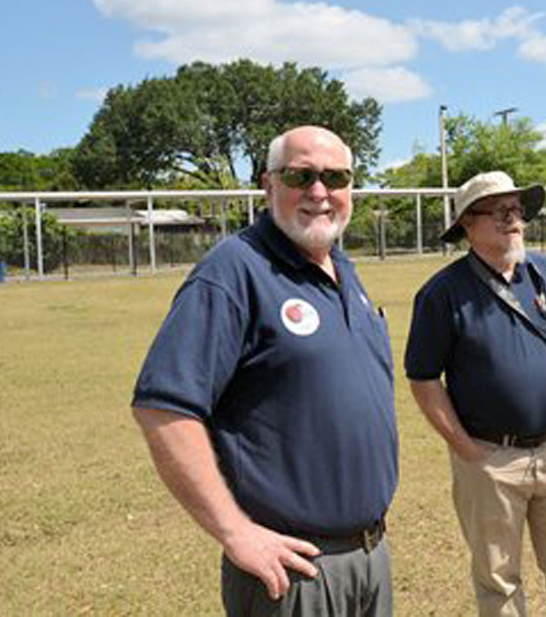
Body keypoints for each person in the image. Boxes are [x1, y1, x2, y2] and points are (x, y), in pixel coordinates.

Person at [131, 125, 397, 617]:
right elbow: (163, 408)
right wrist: (236, 532)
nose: (319, 191)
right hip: (293, 575)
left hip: (368, 558)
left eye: (335, 176)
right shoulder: (233, 269)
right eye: (300, 175)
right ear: (268, 184)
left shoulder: (344, 271)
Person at [404, 171, 546, 616]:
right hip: (489, 458)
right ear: (468, 224)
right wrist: (467, 450)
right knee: (500, 585)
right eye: (501, 211)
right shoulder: (441, 293)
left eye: (518, 210)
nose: (515, 220)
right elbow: (423, 380)